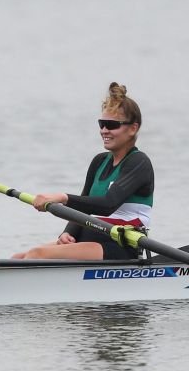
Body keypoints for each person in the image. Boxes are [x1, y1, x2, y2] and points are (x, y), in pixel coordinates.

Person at [12, 82, 153, 261]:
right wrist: (67, 233)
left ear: (133, 128)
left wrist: (63, 197)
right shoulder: (99, 161)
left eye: (111, 125)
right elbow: (83, 208)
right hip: (89, 240)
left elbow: (108, 205)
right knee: (19, 257)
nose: (104, 130)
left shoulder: (138, 163)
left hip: (120, 246)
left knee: (36, 255)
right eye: (102, 124)